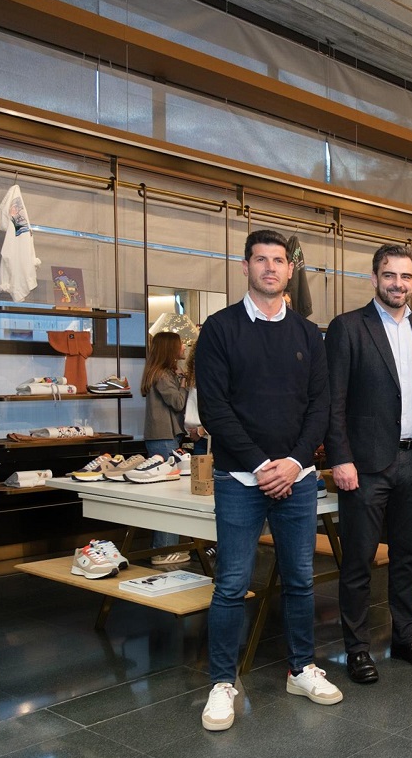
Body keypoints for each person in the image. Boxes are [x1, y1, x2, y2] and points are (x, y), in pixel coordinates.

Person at [194, 229, 338, 732]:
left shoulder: (307, 334)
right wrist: (261, 466)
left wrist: (294, 464)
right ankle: (221, 683)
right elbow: (215, 408)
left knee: (300, 579)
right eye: (261, 260)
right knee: (232, 583)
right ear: (246, 266)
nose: (271, 268)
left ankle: (302, 669)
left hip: (297, 479)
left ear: (290, 271)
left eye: (279, 261)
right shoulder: (219, 329)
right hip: (239, 478)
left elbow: (319, 406)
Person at [325, 243, 412, 685]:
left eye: (406, 276)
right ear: (374, 278)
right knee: (359, 560)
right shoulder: (347, 328)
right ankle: (357, 647)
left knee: (406, 558)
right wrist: (340, 458)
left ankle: (404, 637)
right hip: (365, 466)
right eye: (390, 275)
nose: (398, 284)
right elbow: (333, 402)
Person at [141, 330, 189, 564]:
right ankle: (163, 550)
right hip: (164, 438)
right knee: (170, 496)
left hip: (161, 437)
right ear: (171, 348)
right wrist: (184, 382)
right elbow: (179, 402)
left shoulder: (157, 373)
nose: (184, 348)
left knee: (166, 495)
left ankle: (162, 548)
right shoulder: (163, 375)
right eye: (180, 345)